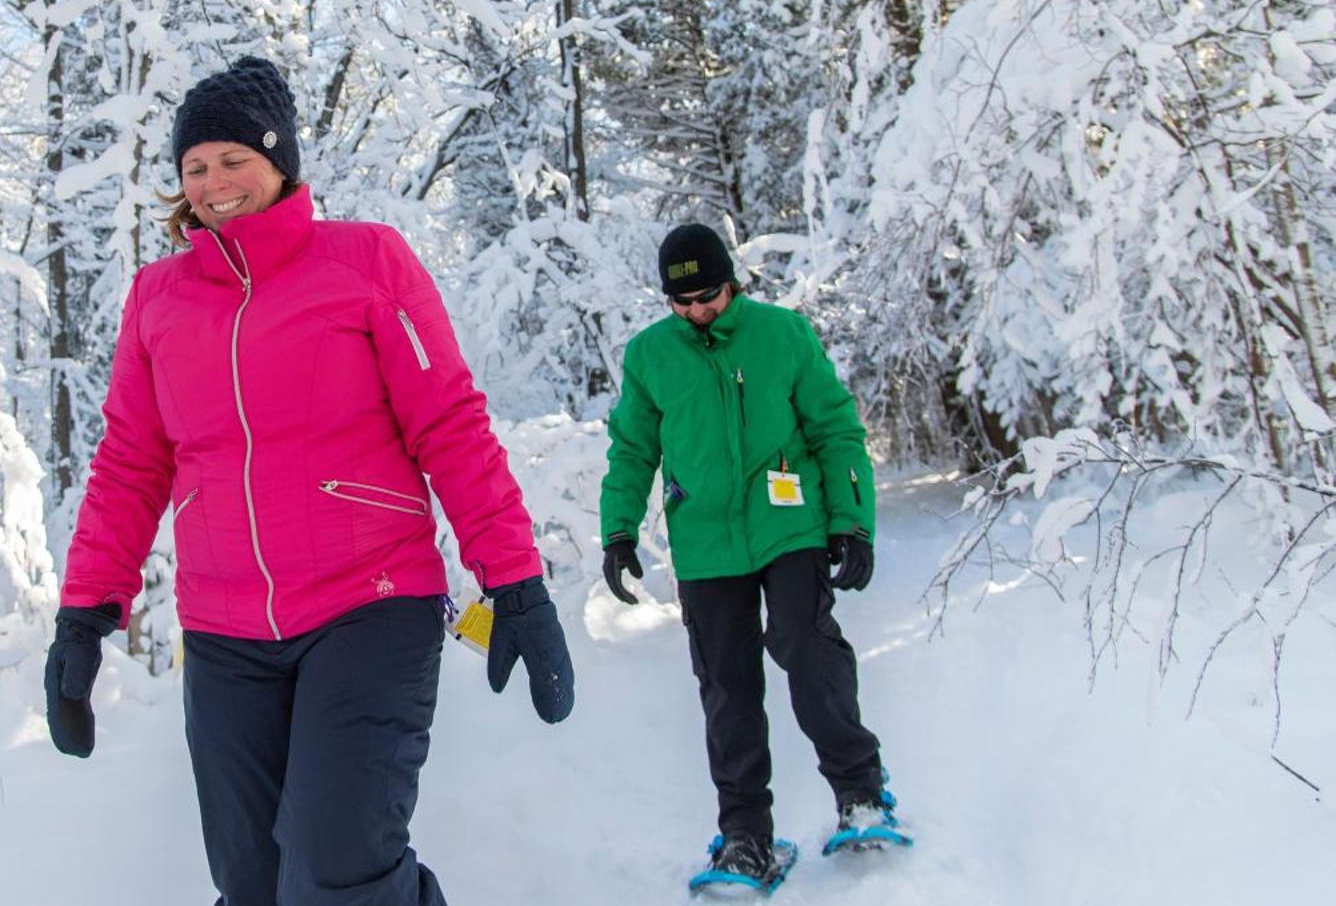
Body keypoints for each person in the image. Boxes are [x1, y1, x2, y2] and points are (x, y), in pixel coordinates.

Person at [45, 55, 573, 906]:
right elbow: (129, 466)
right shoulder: (158, 298)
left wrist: (515, 585)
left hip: (371, 603)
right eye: (194, 167)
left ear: (280, 160)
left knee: (337, 868)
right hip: (225, 629)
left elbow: (451, 424)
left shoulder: (366, 262)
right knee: (252, 884)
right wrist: (83, 616)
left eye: (232, 161)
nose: (213, 183)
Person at [599, 221, 899, 883]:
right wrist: (618, 529)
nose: (697, 312)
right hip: (705, 541)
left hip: (788, 522)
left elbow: (836, 429)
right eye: (682, 303)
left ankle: (860, 791)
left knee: (803, 640)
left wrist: (853, 522)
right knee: (726, 685)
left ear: (731, 282)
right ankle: (746, 837)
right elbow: (632, 447)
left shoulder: (781, 334)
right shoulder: (651, 356)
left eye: (708, 296)